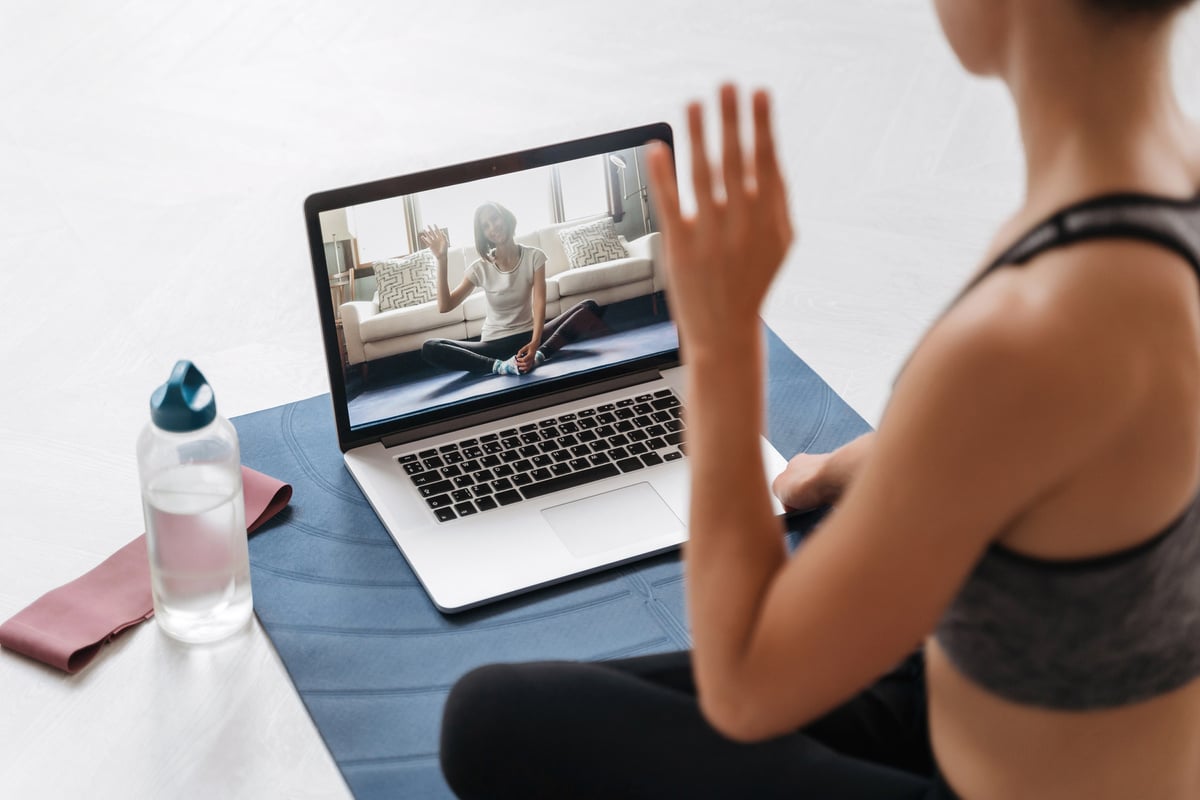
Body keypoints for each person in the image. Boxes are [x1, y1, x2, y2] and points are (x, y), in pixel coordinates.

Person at [439, 0, 1200, 797]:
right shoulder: (1151, 203)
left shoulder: (1020, 336)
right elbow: (1044, 441)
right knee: (508, 707)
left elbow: (745, 688)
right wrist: (832, 470)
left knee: (487, 722)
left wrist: (722, 342)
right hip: (999, 689)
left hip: (975, 776)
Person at [419, 202, 607, 377]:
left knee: (589, 307)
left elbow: (539, 302)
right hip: (493, 344)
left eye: (495, 218)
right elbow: (445, 306)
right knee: (431, 347)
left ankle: (540, 355)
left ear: (506, 218)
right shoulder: (480, 267)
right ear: (483, 234)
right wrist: (442, 259)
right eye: (485, 226)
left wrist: (534, 344)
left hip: (530, 336)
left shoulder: (534, 256)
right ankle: (500, 366)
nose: (493, 227)